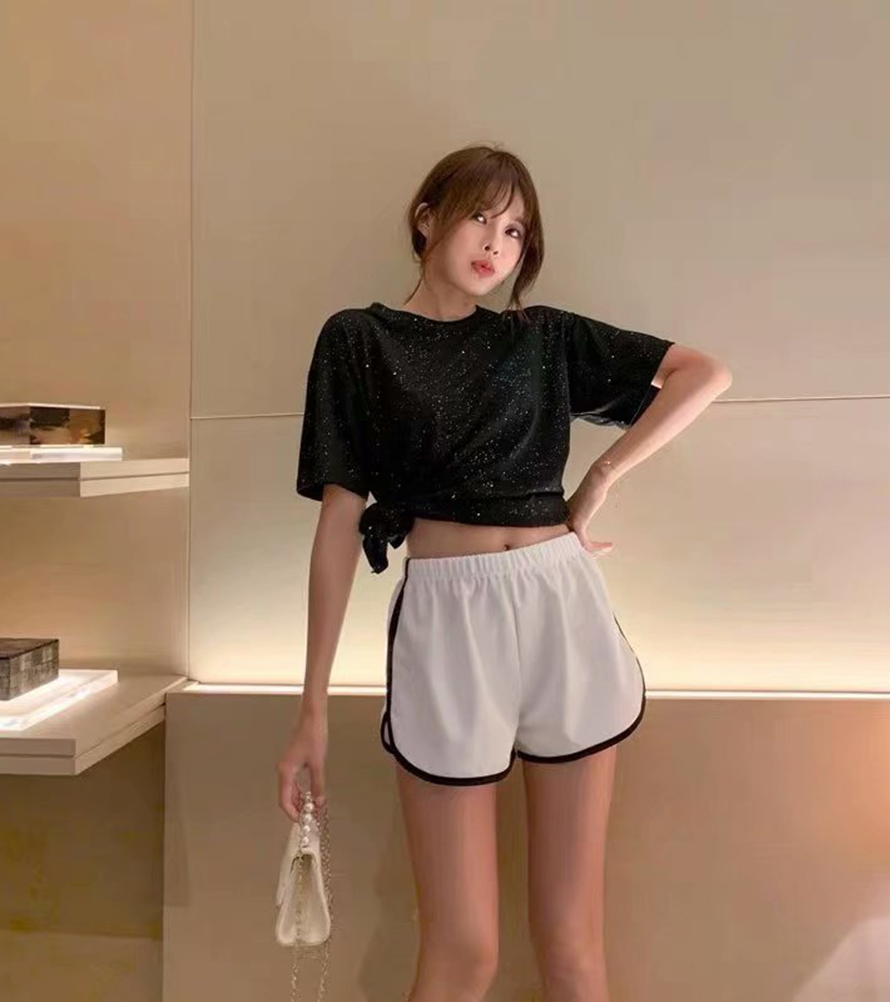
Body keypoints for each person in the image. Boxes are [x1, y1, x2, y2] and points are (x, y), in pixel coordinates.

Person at [277, 142, 732, 1002]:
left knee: (573, 946)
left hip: (562, 604)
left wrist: (598, 480)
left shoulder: (540, 337)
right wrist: (312, 710)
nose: (497, 242)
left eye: (517, 229)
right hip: (447, 620)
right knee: (465, 950)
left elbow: (703, 374)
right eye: (480, 216)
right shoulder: (358, 339)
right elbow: (338, 523)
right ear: (426, 219)